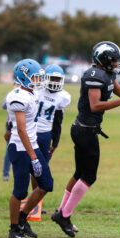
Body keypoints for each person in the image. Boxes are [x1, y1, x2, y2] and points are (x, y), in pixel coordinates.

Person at [51, 41, 120, 238]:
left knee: (79, 173)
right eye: (113, 59)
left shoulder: (108, 74)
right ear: (103, 59)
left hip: (85, 129)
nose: (116, 63)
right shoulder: (94, 75)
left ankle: (61, 212)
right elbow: (95, 105)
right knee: (88, 176)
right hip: (85, 131)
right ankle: (64, 216)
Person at [6, 58, 54, 238]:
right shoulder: (18, 96)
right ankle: (13, 229)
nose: (38, 81)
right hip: (20, 148)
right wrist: (33, 157)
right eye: (34, 77)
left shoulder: (31, 93)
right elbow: (21, 129)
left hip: (32, 145)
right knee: (20, 191)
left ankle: (22, 219)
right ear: (24, 77)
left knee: (46, 184)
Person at [30, 64, 71, 214]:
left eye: (57, 79)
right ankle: (33, 203)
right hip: (31, 132)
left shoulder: (62, 97)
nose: (54, 81)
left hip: (45, 135)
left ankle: (36, 203)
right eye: (52, 78)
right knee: (32, 169)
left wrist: (56, 142)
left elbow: (58, 121)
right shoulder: (36, 90)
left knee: (41, 169)